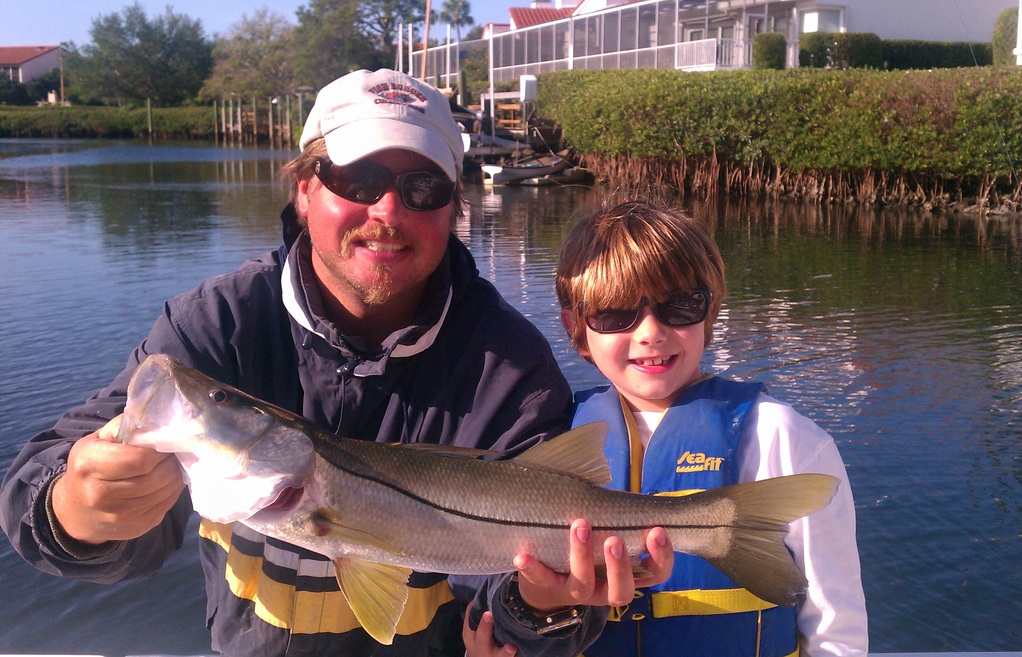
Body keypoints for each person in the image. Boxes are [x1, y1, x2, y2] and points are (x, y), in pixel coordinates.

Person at [0, 69, 672, 657]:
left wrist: (544, 607)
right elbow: (45, 480)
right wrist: (76, 509)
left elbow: (512, 618)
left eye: (422, 188)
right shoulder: (220, 326)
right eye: (358, 178)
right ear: (303, 189)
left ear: (454, 208)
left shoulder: (510, 366)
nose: (387, 210)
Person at [555, 200, 868, 657]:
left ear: (711, 311)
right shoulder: (551, 435)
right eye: (614, 313)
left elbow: (834, 620)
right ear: (575, 328)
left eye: (679, 305)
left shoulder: (782, 437)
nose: (650, 332)